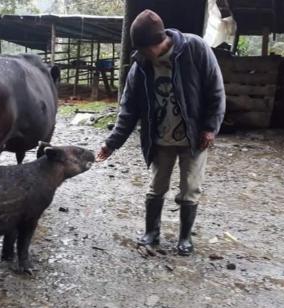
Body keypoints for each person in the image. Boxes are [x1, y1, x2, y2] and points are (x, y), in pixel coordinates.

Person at [96, 9, 225, 256]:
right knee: (156, 186)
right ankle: (151, 232)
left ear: (157, 42)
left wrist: (210, 127)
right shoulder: (141, 65)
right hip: (160, 137)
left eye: (144, 49)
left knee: (190, 187)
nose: (142, 54)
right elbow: (128, 109)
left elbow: (215, 90)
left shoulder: (195, 48)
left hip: (193, 136)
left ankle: (185, 238)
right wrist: (111, 143)